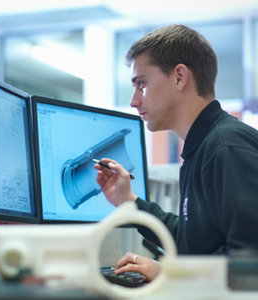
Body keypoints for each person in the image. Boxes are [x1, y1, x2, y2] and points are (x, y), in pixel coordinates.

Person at [94, 24, 258, 282]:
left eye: (141, 84)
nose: (134, 100)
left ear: (180, 77)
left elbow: (250, 264)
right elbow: (193, 240)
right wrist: (130, 203)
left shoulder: (226, 148)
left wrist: (169, 275)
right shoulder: (203, 148)